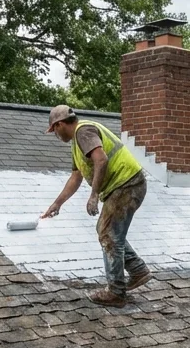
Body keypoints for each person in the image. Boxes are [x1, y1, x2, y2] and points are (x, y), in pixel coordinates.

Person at [42, 105, 152, 306]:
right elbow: (75, 178)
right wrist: (57, 204)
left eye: (54, 130)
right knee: (107, 231)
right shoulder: (77, 143)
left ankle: (116, 292)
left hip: (127, 184)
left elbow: (101, 160)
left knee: (108, 234)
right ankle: (138, 270)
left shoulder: (83, 131)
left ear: (59, 124)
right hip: (126, 185)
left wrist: (93, 195)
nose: (56, 135)